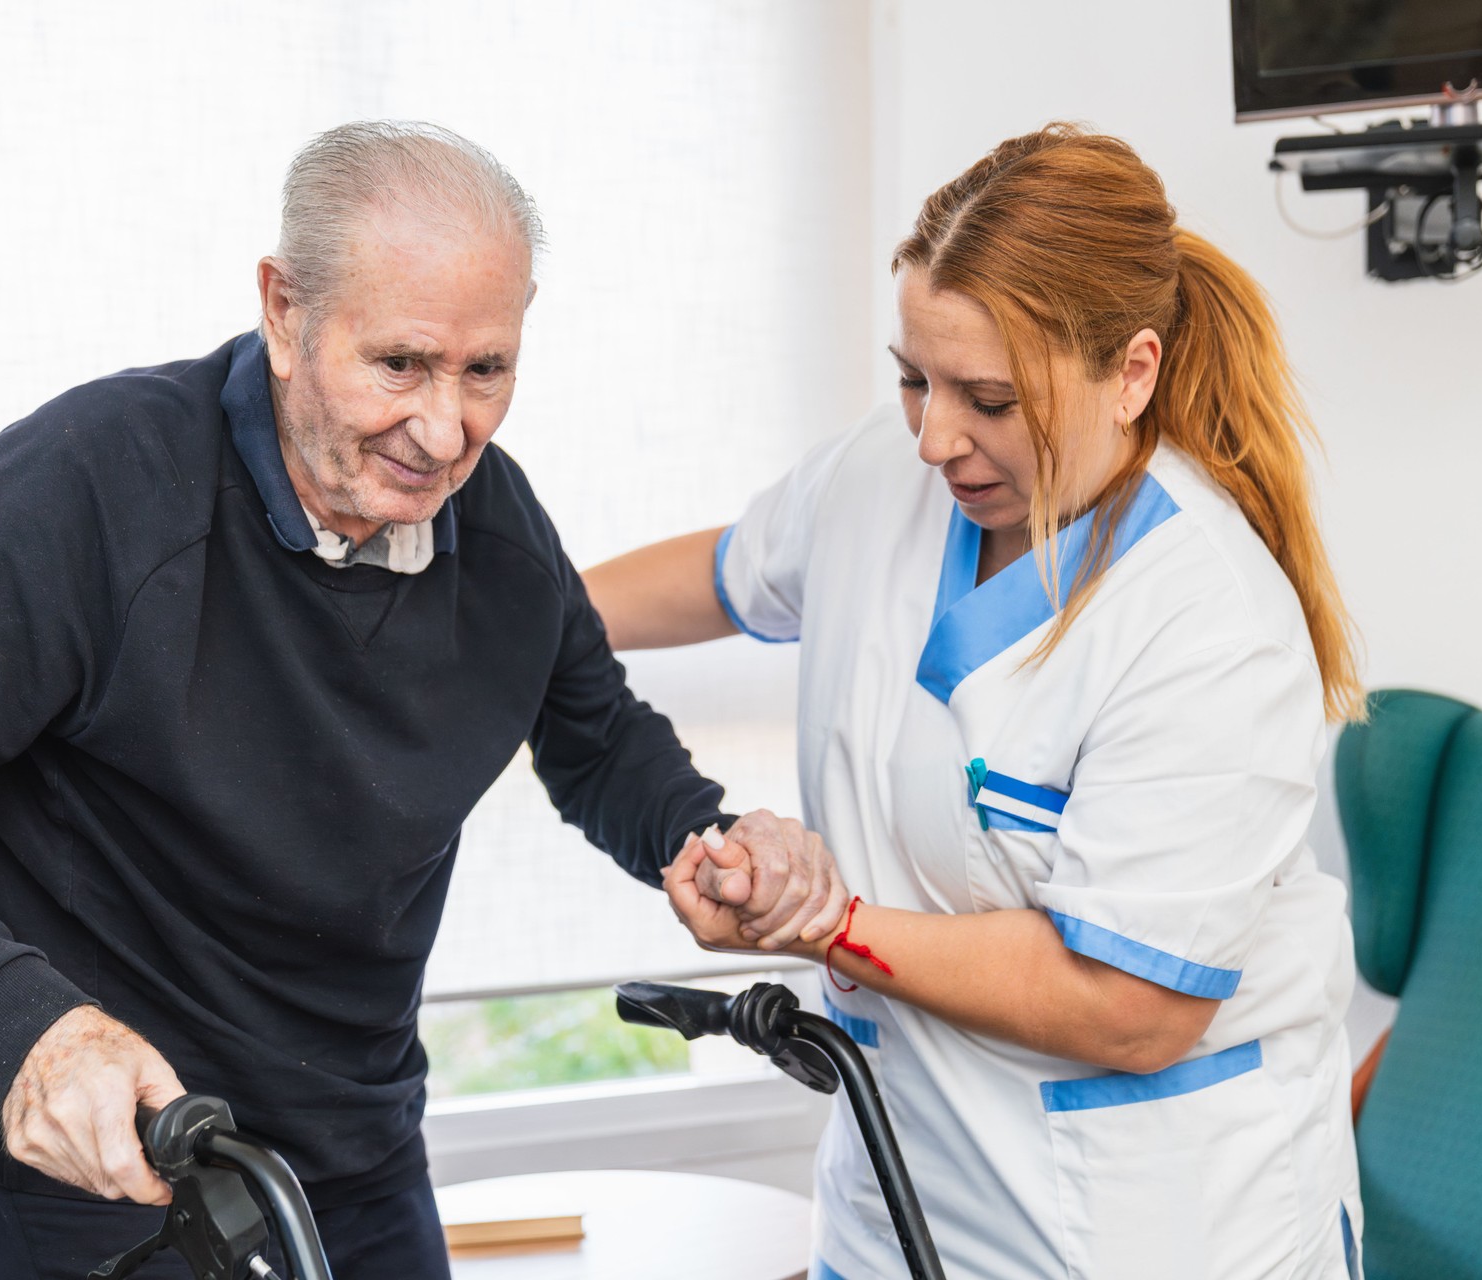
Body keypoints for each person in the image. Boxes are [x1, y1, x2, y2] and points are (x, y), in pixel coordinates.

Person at [0, 121, 844, 1279]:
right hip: (116, 1153)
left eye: (486, 369)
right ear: (284, 308)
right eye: (399, 363)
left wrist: (701, 837)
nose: (445, 428)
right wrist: (23, 1033)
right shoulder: (99, 484)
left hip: (354, 1140)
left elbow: (596, 734)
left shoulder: (497, 527)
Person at [584, 124, 1366, 1280]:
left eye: (991, 398)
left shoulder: (1206, 621)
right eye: (914, 378)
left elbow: (1130, 1005)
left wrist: (824, 921)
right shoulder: (880, 481)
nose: (937, 435)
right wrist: (501, 621)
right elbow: (721, 575)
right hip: (893, 1208)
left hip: (1143, 1233)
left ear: (1132, 372)